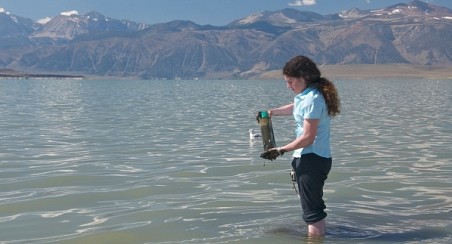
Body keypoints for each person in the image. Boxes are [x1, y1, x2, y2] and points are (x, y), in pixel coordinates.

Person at [260, 55, 340, 237]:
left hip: (312, 159)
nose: (288, 86)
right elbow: (296, 107)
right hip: (309, 158)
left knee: (313, 214)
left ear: (303, 77)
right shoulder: (306, 96)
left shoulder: (313, 99)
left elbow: (308, 138)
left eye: (290, 81)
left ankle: (315, 239)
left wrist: (280, 150)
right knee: (312, 210)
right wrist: (272, 112)